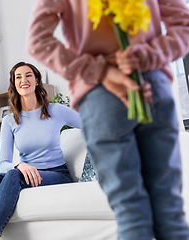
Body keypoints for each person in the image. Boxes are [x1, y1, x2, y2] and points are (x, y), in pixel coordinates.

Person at [26, 0, 189, 239]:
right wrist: (144, 56)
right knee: (170, 208)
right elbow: (183, 25)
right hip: (152, 84)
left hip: (100, 95)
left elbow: (37, 41)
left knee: (131, 212)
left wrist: (98, 70)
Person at [0, 62, 81, 240]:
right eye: (18, 77)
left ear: (37, 80)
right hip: (26, 174)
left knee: (15, 175)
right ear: (14, 84)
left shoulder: (56, 111)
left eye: (28, 75)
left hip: (56, 173)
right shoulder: (10, 121)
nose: (23, 80)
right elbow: (4, 165)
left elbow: (90, 126)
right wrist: (19, 165)